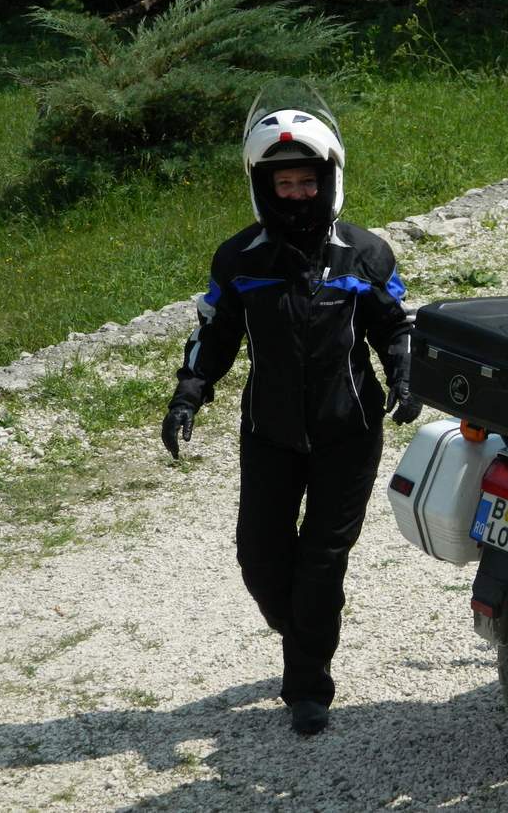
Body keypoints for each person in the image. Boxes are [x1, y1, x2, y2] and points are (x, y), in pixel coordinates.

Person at [160, 79, 422, 736]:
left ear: (329, 179)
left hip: (348, 430)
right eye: (285, 184)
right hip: (269, 430)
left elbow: (396, 326)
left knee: (321, 562)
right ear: (263, 186)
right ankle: (305, 629)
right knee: (259, 557)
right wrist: (189, 392)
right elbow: (215, 333)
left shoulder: (365, 253)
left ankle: (308, 685)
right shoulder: (238, 259)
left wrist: (406, 376)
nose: (298, 194)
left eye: (308, 181)